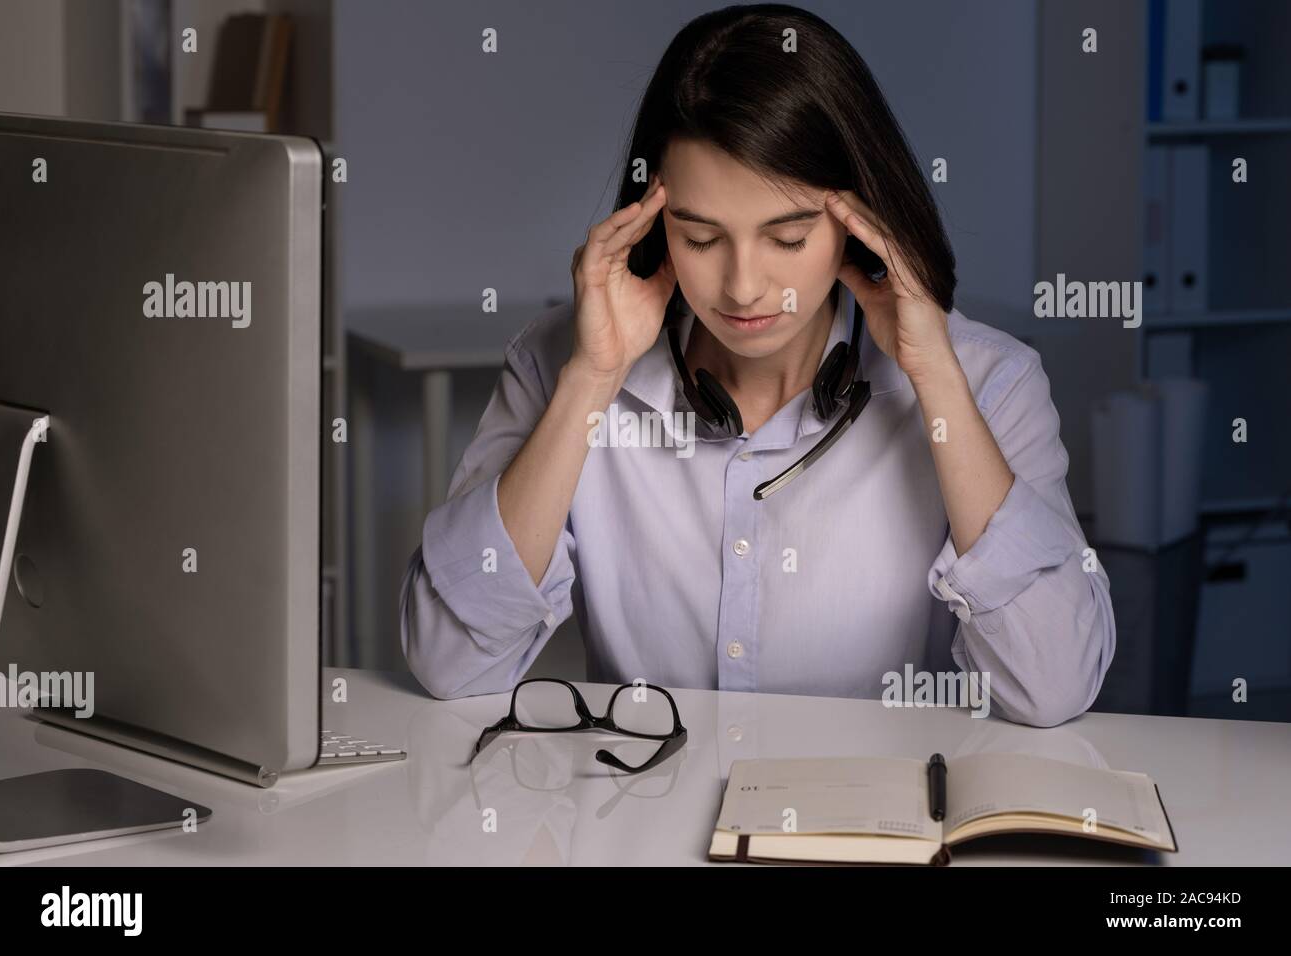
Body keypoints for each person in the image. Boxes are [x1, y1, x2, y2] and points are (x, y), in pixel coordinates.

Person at [399, 3, 1114, 726]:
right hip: (640, 820)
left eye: (788, 237)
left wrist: (934, 380)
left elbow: (1051, 686)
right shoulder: (562, 363)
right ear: (652, 222)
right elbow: (450, 663)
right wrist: (591, 380)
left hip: (876, 828)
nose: (743, 287)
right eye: (702, 238)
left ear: (856, 221)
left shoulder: (991, 384)